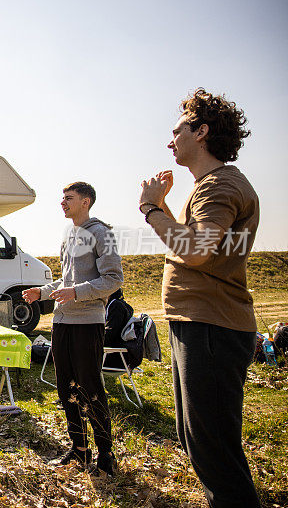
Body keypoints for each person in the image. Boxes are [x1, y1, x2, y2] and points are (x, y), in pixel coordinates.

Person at [139, 88, 260, 507]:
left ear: (202, 131)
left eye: (177, 131)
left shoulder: (221, 184)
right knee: (198, 443)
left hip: (212, 327)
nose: (170, 141)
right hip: (199, 324)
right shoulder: (208, 186)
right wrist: (164, 208)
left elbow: (194, 249)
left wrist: (152, 208)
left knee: (215, 454)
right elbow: (194, 244)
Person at [22, 182, 122, 476]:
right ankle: (79, 451)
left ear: (86, 201)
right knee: (67, 389)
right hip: (61, 324)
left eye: (69, 198)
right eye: (62, 198)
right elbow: (64, 282)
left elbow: (114, 279)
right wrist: (42, 291)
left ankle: (106, 454)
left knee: (91, 388)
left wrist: (76, 293)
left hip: (87, 323)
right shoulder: (69, 236)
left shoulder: (102, 233)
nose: (62, 203)